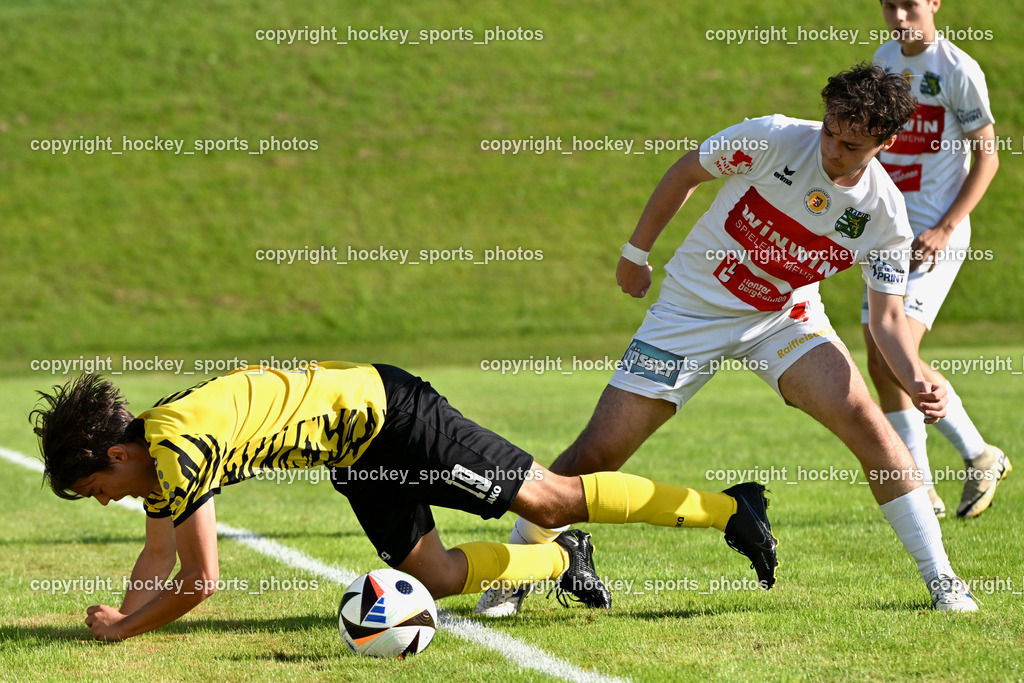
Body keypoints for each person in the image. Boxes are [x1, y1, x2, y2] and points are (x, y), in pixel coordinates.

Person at [477, 63, 978, 617]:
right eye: (830, 132)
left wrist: (915, 379)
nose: (833, 150)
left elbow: (887, 320)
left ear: (885, 144)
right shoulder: (773, 137)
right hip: (689, 312)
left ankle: (944, 581)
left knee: (871, 427)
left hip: (784, 319)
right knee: (598, 452)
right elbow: (686, 171)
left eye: (851, 145)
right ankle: (514, 573)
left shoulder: (884, 216)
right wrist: (635, 253)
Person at [31, 362, 777, 642]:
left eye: (96, 490)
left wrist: (124, 629)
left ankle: (729, 508)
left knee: (550, 499)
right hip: (357, 458)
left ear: (118, 455)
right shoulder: (157, 452)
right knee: (438, 577)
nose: (103, 503)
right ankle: (560, 563)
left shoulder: (177, 448)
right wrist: (122, 612)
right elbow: (158, 551)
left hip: (395, 416)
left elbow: (200, 581)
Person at [863, 0, 1008, 519]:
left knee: (897, 346)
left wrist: (945, 229)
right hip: (889, 232)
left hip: (934, 233)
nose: (899, 16)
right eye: (890, 5)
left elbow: (988, 155)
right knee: (879, 358)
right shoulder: (884, 60)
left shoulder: (957, 69)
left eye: (910, 4)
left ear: (934, 4)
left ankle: (955, 468)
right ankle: (944, 475)